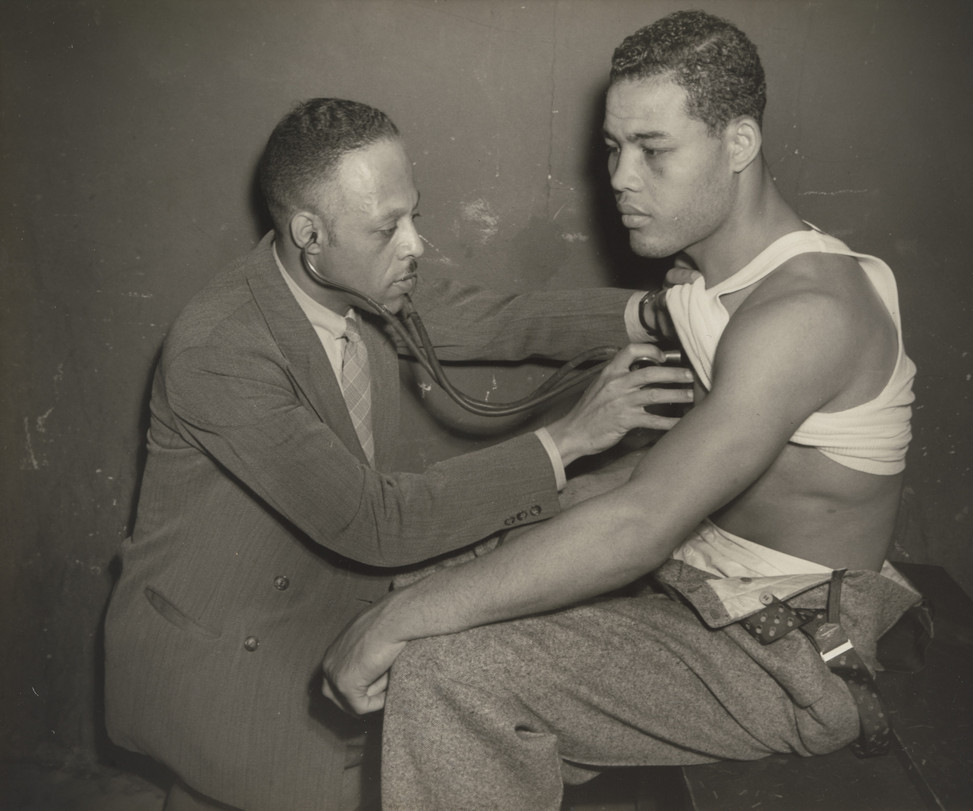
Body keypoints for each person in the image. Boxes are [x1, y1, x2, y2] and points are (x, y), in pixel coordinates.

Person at [322, 10, 924, 810]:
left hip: (786, 655)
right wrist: (468, 553)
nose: (621, 177)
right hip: (698, 585)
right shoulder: (713, 284)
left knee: (447, 669)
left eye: (653, 149)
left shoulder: (804, 314)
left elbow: (642, 519)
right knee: (431, 569)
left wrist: (399, 620)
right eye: (613, 147)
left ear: (739, 143)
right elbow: (661, 472)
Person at [102, 98, 694, 811]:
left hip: (317, 597)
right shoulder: (221, 348)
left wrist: (654, 313)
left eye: (415, 214)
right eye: (388, 228)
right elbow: (375, 521)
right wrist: (568, 438)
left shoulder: (354, 281)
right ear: (309, 234)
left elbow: (497, 319)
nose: (416, 244)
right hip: (224, 650)